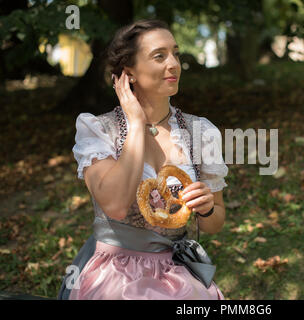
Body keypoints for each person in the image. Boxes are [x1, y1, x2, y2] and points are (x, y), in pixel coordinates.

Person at [57, 19, 228, 300]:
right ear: (129, 73)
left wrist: (208, 208)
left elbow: (216, 223)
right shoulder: (99, 130)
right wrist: (136, 124)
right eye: (159, 56)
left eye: (175, 53)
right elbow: (115, 206)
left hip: (177, 271)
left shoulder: (201, 132)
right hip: (115, 272)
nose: (173, 64)